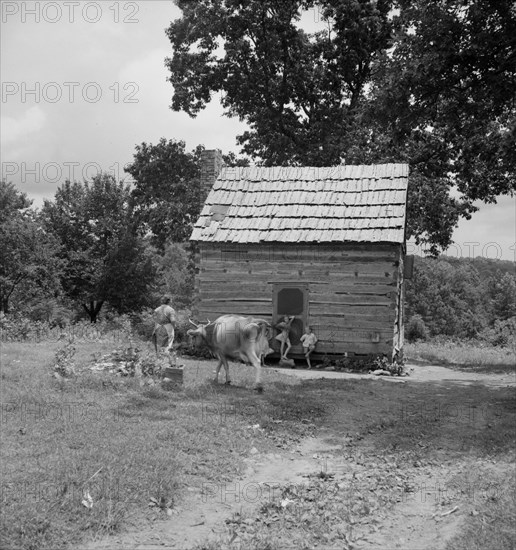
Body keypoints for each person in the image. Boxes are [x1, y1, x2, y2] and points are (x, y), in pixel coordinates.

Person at [152, 295, 177, 360]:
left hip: (158, 327)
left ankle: (159, 359)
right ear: (169, 301)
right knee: (168, 344)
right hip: (167, 328)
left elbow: (154, 319)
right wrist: (174, 326)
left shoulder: (157, 309)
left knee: (159, 343)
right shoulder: (170, 310)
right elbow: (173, 320)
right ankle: (166, 360)